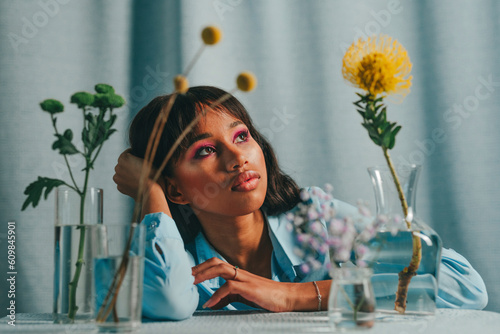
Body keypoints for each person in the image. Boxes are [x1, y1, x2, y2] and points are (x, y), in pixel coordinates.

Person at [113, 86, 488, 321]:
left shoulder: (317, 219)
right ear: (175, 191)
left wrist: (294, 295)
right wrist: (151, 193)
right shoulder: (184, 265)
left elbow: (466, 286)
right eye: (206, 150)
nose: (237, 158)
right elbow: (168, 302)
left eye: (242, 136)